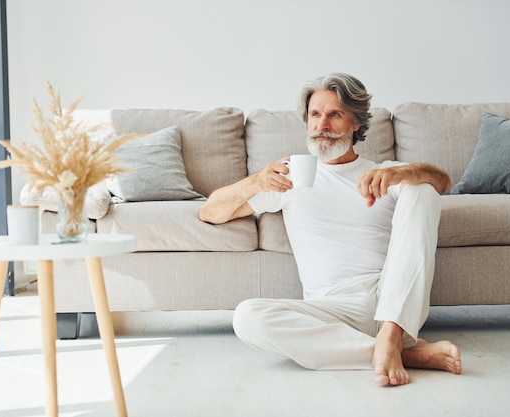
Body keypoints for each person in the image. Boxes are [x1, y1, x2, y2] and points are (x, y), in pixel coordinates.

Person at [198, 73, 462, 386]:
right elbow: (210, 212)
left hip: (392, 297)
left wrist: (406, 172)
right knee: (247, 317)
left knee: (422, 188)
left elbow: (442, 182)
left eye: (334, 114)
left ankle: (392, 336)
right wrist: (255, 180)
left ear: (355, 123)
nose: (322, 125)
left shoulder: (384, 174)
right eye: (315, 115)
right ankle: (400, 353)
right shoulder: (290, 176)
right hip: (332, 308)